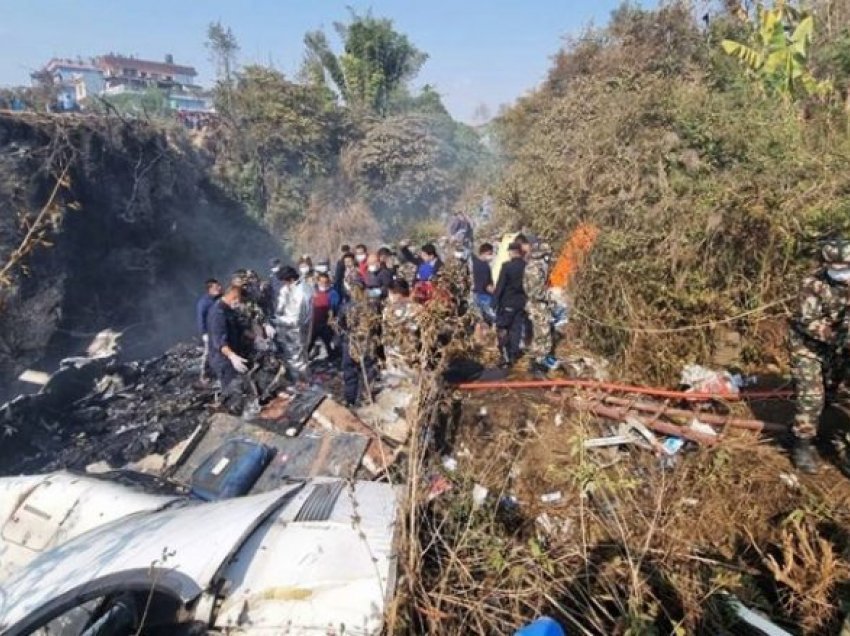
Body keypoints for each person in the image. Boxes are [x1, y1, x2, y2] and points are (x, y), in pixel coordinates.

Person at [788, 239, 850, 473]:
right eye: (839, 267)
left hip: (842, 347)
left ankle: (844, 446)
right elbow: (808, 322)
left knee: (841, 395)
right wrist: (839, 339)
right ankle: (802, 444)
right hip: (809, 347)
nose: (843, 272)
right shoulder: (812, 284)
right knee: (812, 396)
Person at [207, 282, 251, 392]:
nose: (239, 302)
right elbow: (219, 342)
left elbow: (239, 328)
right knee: (232, 390)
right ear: (233, 296)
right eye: (239, 299)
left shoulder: (229, 310)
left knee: (243, 386)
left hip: (234, 352)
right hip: (224, 360)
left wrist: (256, 338)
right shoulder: (217, 314)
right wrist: (232, 356)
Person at [492, 242, 527, 367]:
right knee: (516, 329)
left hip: (507, 302)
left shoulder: (507, 266)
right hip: (521, 303)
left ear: (511, 252)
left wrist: (494, 302)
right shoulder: (525, 266)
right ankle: (513, 354)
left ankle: (506, 357)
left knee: (502, 328)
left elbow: (500, 285)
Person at [275, 266, 311, 381]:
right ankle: (302, 382)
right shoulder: (295, 288)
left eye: (284, 281)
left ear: (289, 279)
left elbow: (296, 319)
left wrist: (276, 320)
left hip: (296, 331)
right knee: (299, 359)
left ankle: (302, 385)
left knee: (297, 361)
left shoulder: (301, 292)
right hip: (292, 330)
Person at [309, 272, 341, 361]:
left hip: (326, 323)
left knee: (328, 342)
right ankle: (304, 358)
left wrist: (332, 318)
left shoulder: (333, 293)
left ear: (329, 282)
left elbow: (335, 307)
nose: (323, 284)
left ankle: (332, 358)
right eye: (321, 282)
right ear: (318, 282)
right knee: (310, 342)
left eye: (326, 282)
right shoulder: (312, 292)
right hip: (313, 322)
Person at [196, 278, 223, 382]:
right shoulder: (204, 303)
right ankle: (204, 374)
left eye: (219, 286)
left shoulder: (220, 298)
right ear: (210, 289)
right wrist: (204, 333)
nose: (220, 288)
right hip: (210, 332)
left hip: (219, 330)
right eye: (216, 287)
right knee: (208, 353)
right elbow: (200, 318)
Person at [472, 243, 496, 325]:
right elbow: (487, 285)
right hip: (485, 296)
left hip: (476, 295)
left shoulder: (475, 263)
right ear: (484, 253)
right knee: (494, 319)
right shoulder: (484, 266)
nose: (491, 256)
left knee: (481, 321)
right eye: (490, 253)